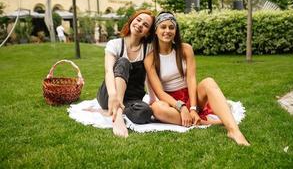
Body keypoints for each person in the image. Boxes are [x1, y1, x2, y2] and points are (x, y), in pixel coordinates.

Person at [144, 11, 250, 146]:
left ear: (176, 31)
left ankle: (234, 131)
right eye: (163, 27)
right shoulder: (150, 59)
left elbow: (191, 79)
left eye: (171, 27)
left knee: (208, 82)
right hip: (172, 102)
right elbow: (160, 93)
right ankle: (202, 121)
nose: (167, 31)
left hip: (191, 96)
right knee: (157, 108)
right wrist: (182, 108)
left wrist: (193, 108)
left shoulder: (186, 49)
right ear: (156, 31)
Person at [96, 9, 155, 138]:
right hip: (109, 94)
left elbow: (151, 76)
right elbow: (108, 71)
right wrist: (112, 95)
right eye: (138, 20)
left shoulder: (148, 49)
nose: (140, 25)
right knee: (123, 62)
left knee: (145, 112)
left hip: (132, 98)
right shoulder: (115, 44)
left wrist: (152, 99)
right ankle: (117, 114)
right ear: (131, 21)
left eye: (145, 25)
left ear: (148, 32)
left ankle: (121, 108)